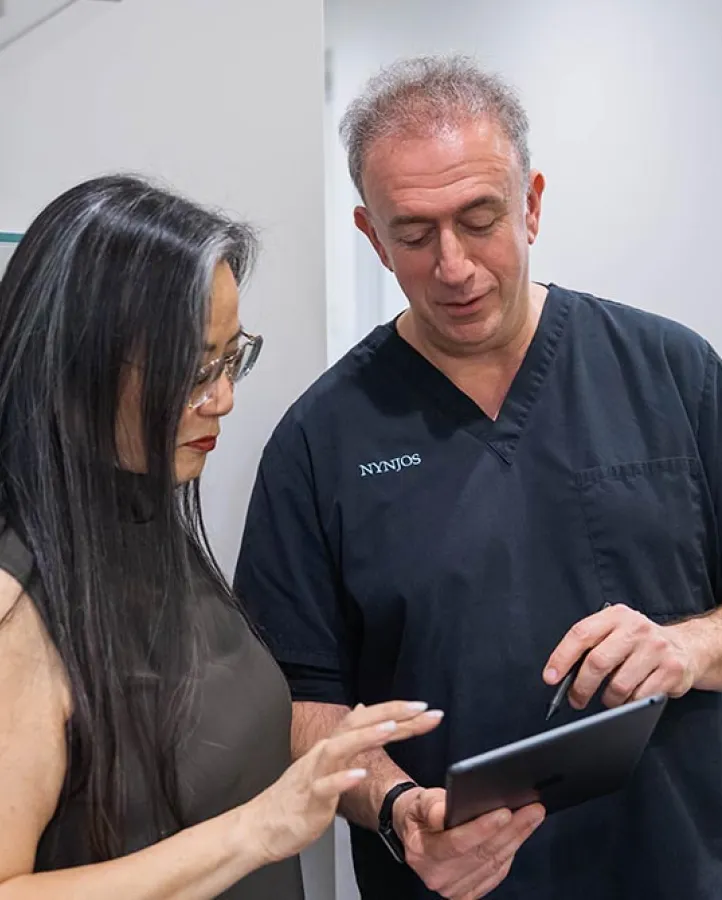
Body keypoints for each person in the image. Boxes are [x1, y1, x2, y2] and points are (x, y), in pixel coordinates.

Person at [234, 55, 722, 900]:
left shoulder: (668, 370)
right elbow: (301, 706)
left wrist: (687, 645)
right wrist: (399, 807)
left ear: (533, 204)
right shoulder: (319, 439)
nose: (453, 266)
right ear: (372, 235)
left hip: (678, 871)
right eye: (413, 234)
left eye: (480, 219)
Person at [0, 175, 441, 899]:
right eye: (196, 368)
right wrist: (257, 829)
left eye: (231, 356)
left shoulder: (148, 521)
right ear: (77, 366)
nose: (224, 397)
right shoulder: (19, 604)